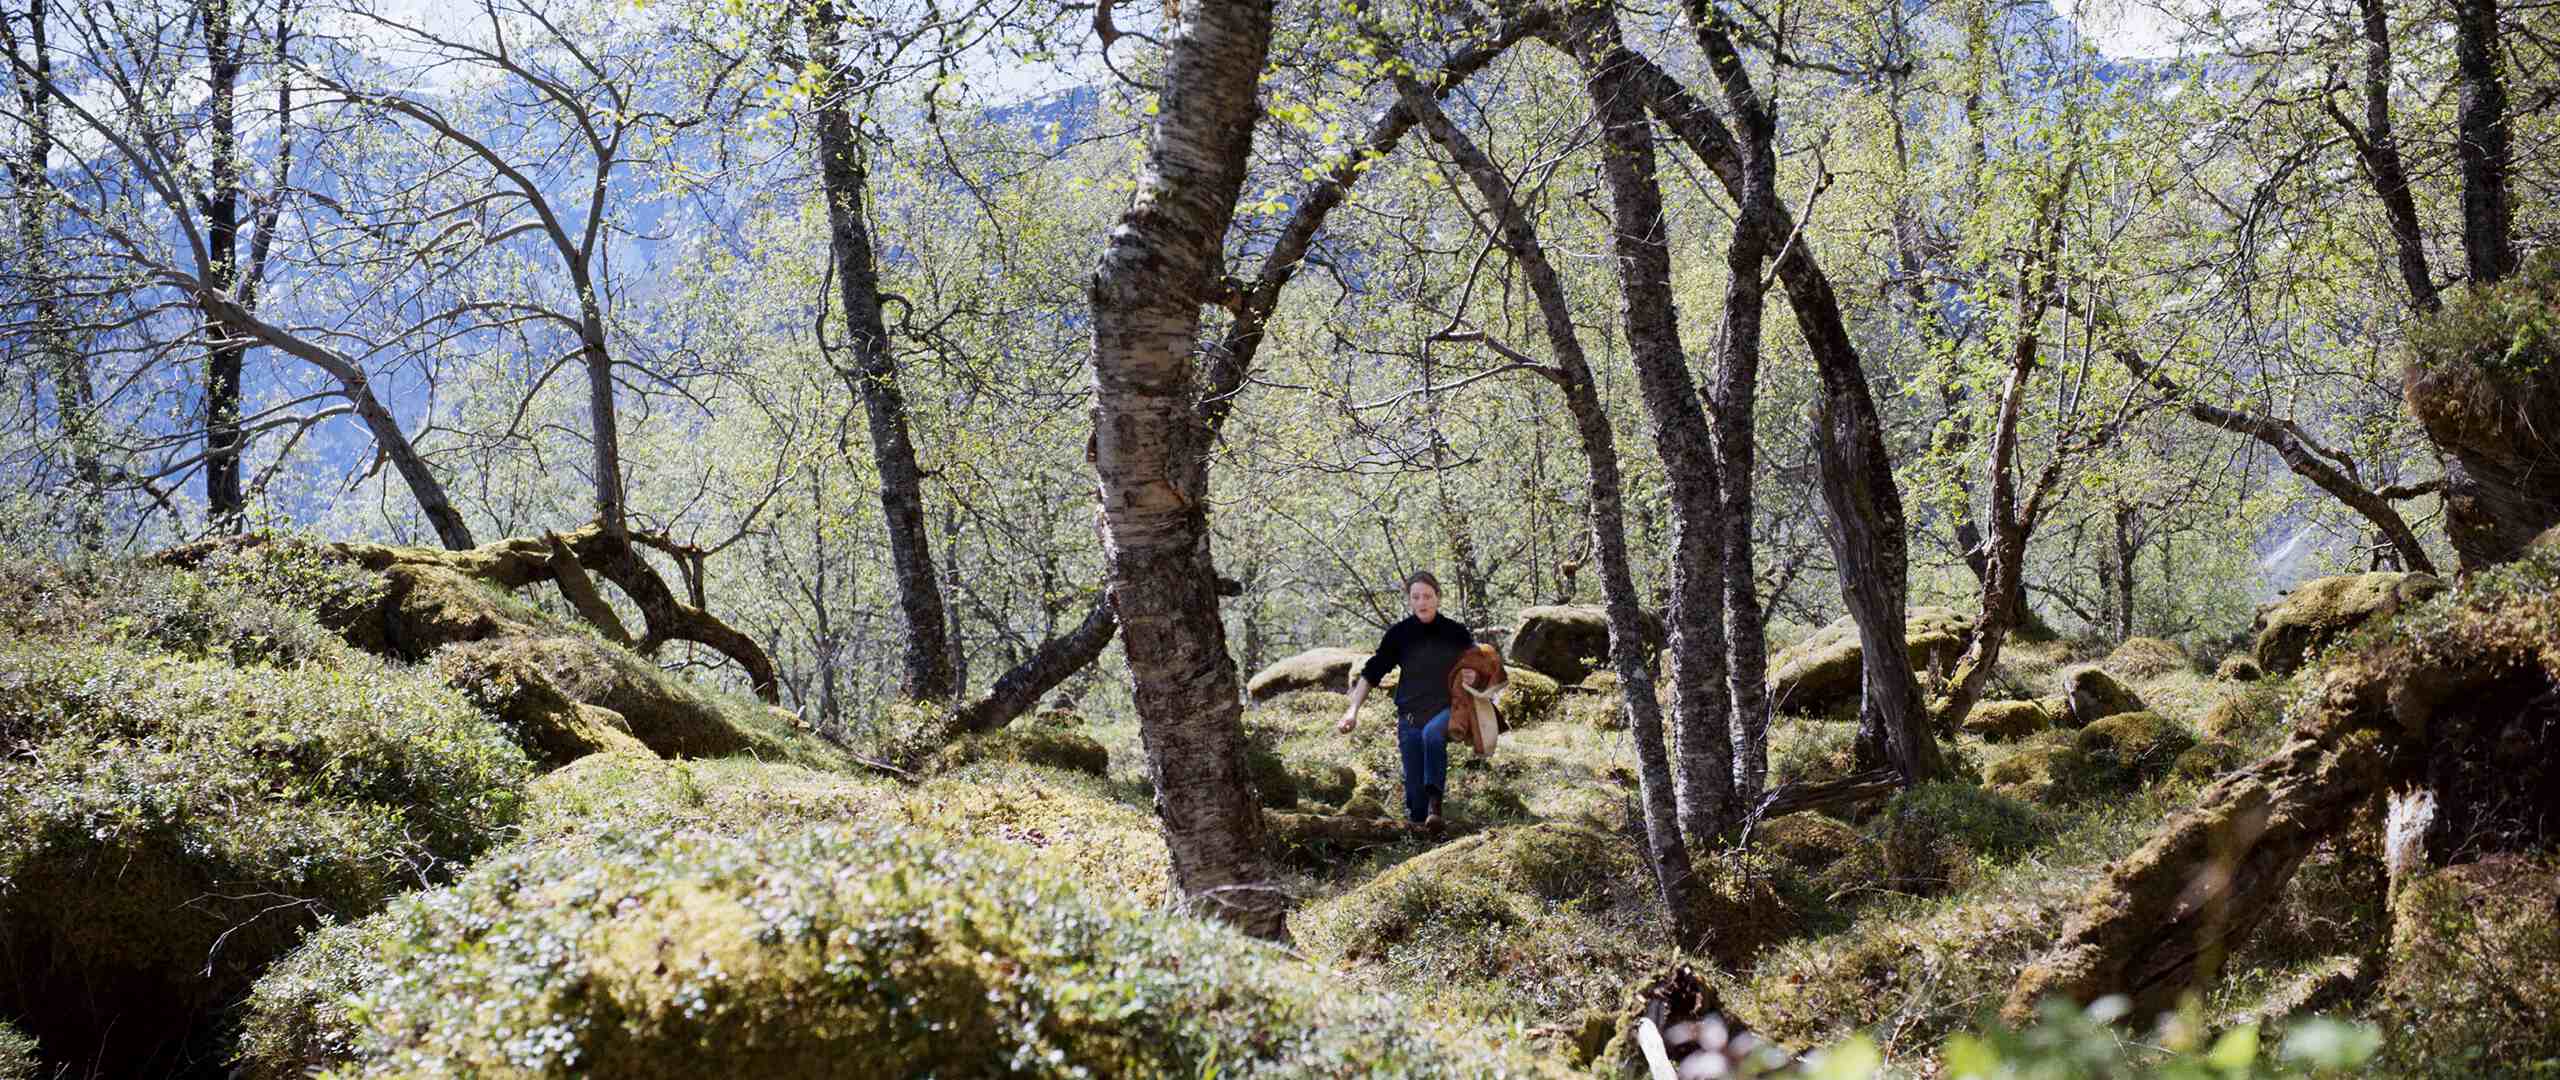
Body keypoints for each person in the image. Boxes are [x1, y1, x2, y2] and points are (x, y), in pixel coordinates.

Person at [1340, 571, 1478, 833]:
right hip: (1410, 717)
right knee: (1415, 799)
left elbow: (1481, 664)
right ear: (1410, 601)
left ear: (1438, 598)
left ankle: (1436, 807)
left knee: (1432, 736)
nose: (1422, 602)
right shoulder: (1399, 635)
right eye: (1416, 597)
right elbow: (1372, 672)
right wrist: (1352, 710)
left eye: (1427, 596)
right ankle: (1423, 834)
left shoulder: (1455, 632)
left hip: (1447, 711)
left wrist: (1474, 674)